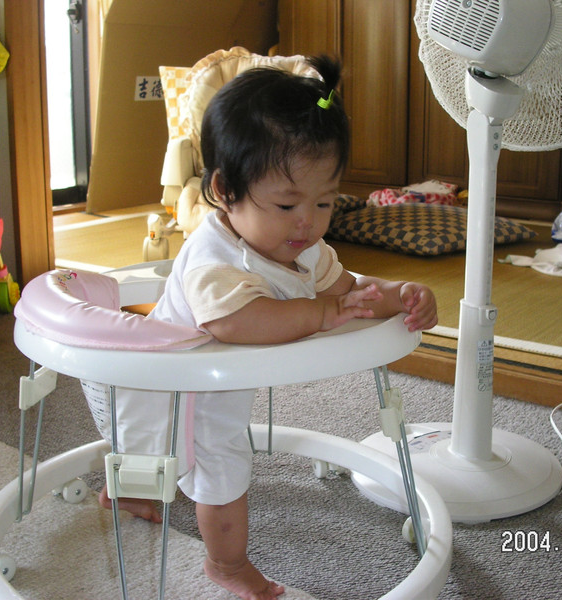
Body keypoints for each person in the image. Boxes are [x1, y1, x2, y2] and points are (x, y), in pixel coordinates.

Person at [85, 55, 438, 600]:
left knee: (161, 457)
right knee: (211, 469)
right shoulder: (214, 259)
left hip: (213, 382)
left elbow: (347, 289)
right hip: (170, 382)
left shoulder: (302, 246)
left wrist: (398, 295)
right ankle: (225, 564)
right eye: (287, 203)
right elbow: (235, 322)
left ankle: (132, 496)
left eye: (325, 201)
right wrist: (320, 313)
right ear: (225, 190)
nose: (308, 221)